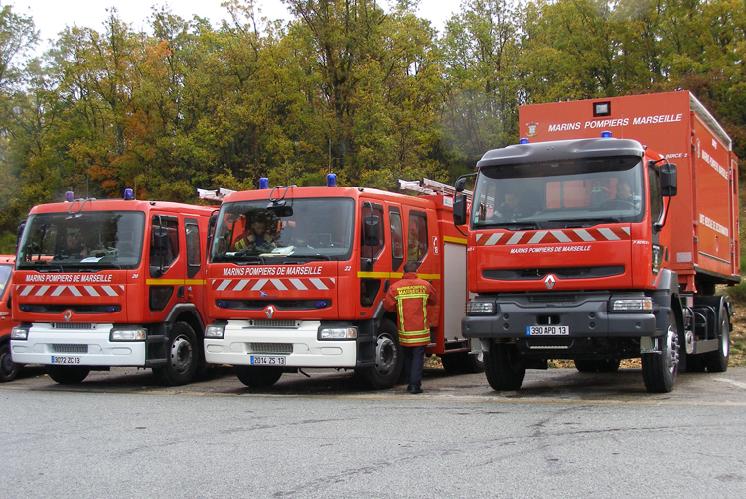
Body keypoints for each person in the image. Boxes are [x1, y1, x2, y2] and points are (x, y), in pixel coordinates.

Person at [383, 261, 437, 394]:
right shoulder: (425, 285)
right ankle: (415, 385)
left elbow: (387, 306)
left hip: (405, 330)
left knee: (407, 357)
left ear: (404, 272)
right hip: (421, 330)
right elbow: (434, 300)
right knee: (418, 358)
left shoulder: (396, 287)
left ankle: (409, 382)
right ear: (416, 271)